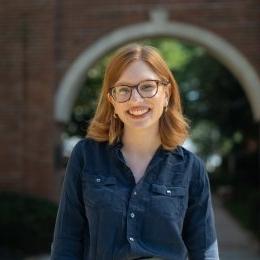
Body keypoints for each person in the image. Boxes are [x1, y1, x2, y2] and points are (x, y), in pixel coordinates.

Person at [50, 43, 219, 260]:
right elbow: (66, 241)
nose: (136, 99)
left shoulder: (191, 168)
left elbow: (205, 251)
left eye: (147, 87)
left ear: (166, 93)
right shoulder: (85, 155)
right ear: (112, 100)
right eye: (124, 90)